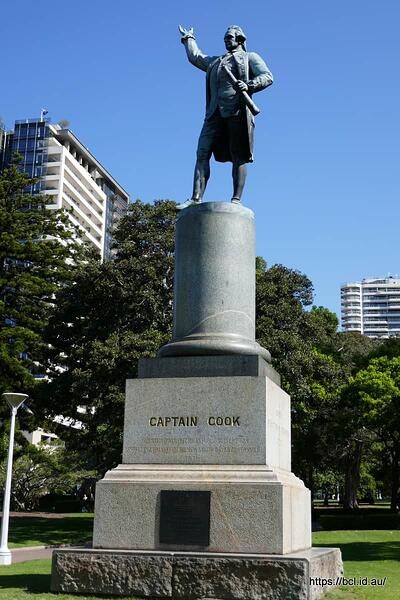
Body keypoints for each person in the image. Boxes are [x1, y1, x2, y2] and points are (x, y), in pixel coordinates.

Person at [177, 25, 273, 209]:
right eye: (225, 38)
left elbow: (267, 76)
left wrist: (249, 85)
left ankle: (236, 199)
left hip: (237, 112)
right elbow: (197, 57)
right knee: (202, 153)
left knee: (239, 155)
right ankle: (195, 198)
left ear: (240, 39)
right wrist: (189, 39)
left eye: (230, 37)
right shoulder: (216, 62)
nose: (226, 40)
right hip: (214, 114)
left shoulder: (250, 57)